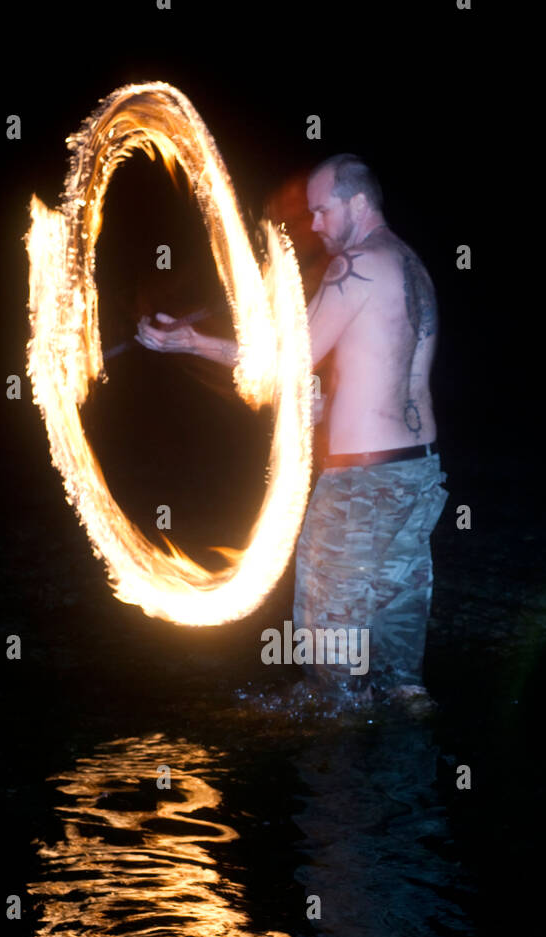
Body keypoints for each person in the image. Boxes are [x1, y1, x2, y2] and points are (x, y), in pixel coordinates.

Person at [136, 153, 448, 705]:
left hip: (362, 489)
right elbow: (390, 376)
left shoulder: (356, 264)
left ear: (357, 201)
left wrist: (192, 342)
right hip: (415, 474)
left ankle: (337, 779)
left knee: (330, 648)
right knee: (401, 667)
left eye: (322, 211)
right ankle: (408, 775)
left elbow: (285, 360)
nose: (316, 225)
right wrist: (328, 406)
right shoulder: (410, 265)